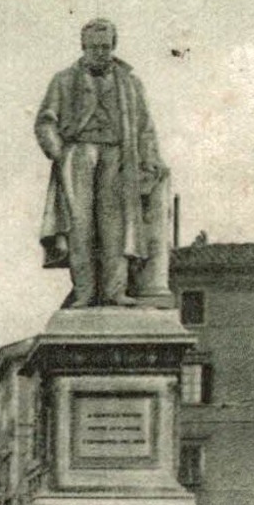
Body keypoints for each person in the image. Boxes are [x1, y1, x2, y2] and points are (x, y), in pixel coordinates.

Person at [35, 18, 168, 308]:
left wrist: (150, 159)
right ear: (83, 47)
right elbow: (45, 122)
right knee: (79, 227)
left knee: (115, 227)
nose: (100, 52)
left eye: (105, 47)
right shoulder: (64, 80)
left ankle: (115, 291)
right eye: (94, 47)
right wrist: (60, 154)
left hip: (119, 156)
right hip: (78, 154)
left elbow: (145, 127)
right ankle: (83, 292)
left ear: (113, 46)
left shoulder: (131, 83)